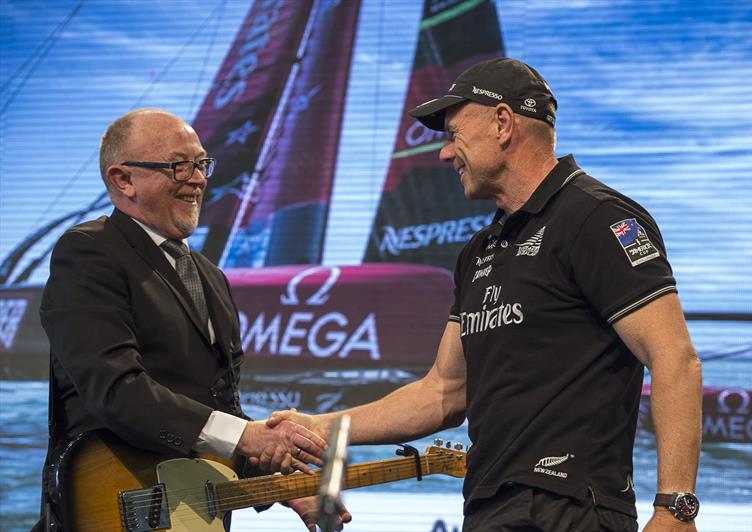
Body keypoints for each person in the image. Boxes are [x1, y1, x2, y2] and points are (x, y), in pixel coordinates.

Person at [269, 58, 703, 531]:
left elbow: (674, 358)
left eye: (453, 133)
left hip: (573, 510)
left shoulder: (597, 218)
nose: (443, 154)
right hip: (487, 508)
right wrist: (320, 426)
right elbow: (441, 393)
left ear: (502, 122)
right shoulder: (478, 251)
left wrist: (675, 508)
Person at [37, 108, 350, 531]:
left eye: (202, 164)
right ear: (122, 179)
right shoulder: (89, 253)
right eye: (177, 166)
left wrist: (284, 484)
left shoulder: (212, 277)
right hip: (108, 508)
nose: (199, 179)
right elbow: (115, 390)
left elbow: (220, 412)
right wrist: (248, 435)